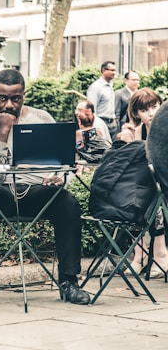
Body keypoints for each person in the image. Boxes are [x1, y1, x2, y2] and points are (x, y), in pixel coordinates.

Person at [0, 69, 90, 306]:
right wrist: (3, 133)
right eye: (2, 98)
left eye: (15, 98)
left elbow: (63, 163)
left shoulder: (42, 119)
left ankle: (69, 282)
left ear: (23, 95)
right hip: (3, 193)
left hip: (39, 191)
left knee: (67, 203)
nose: (8, 104)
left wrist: (59, 178)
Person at [117, 87, 167, 278]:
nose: (152, 113)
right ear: (136, 113)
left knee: (153, 197)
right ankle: (140, 254)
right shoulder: (135, 132)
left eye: (155, 106)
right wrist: (126, 140)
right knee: (131, 197)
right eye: (145, 110)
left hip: (162, 187)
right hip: (144, 188)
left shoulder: (164, 130)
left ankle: (160, 254)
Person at [87, 61, 118, 138]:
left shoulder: (110, 85)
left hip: (112, 123)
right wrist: (95, 125)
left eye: (115, 70)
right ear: (104, 70)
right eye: (112, 70)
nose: (114, 73)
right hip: (101, 122)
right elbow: (91, 108)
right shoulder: (96, 87)